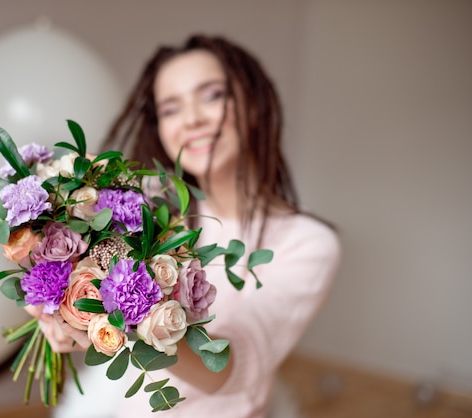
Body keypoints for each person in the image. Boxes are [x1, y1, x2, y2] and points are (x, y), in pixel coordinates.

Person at [26, 34, 341, 418]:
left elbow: (233, 366)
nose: (191, 119)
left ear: (254, 105)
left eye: (212, 96)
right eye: (171, 109)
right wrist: (68, 312)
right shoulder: (154, 211)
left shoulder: (309, 243)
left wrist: (132, 311)